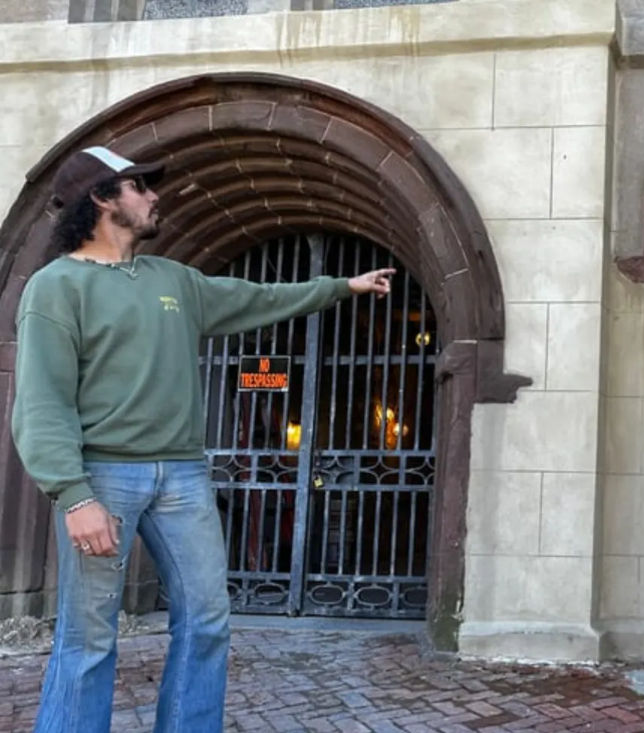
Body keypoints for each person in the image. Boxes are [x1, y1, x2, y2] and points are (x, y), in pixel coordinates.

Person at [11, 145, 394, 733]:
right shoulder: (55, 287)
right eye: (140, 186)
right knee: (89, 637)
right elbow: (42, 401)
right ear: (102, 198)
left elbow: (258, 299)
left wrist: (341, 286)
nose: (154, 196)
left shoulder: (173, 280)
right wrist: (73, 495)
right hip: (103, 478)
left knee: (208, 621)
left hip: (184, 476)